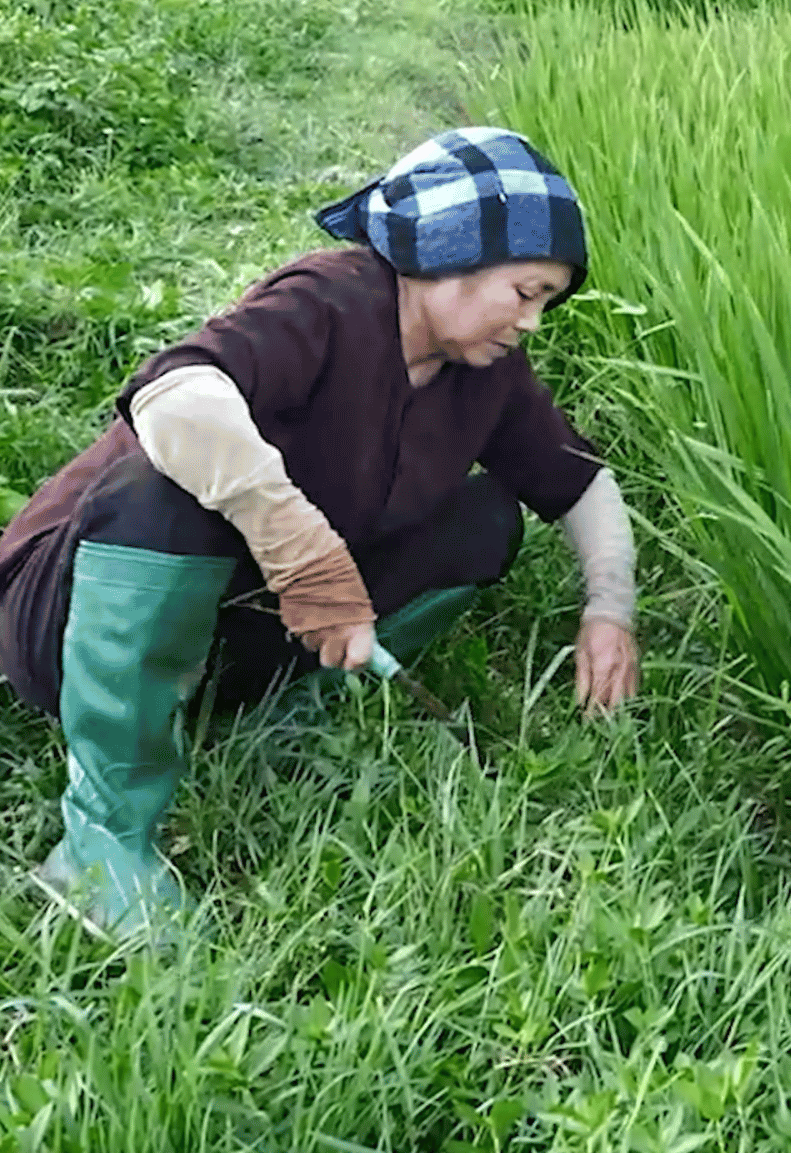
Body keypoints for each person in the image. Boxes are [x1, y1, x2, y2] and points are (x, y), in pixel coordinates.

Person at [0, 128, 639, 942]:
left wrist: (609, 609)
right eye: (526, 291)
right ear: (451, 251)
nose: (533, 321)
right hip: (72, 615)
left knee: (484, 520)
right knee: (171, 488)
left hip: (238, 622)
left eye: (547, 301)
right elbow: (175, 396)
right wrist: (299, 545)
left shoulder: (488, 374)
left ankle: (288, 698)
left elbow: (578, 480)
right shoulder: (329, 301)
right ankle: (104, 835)